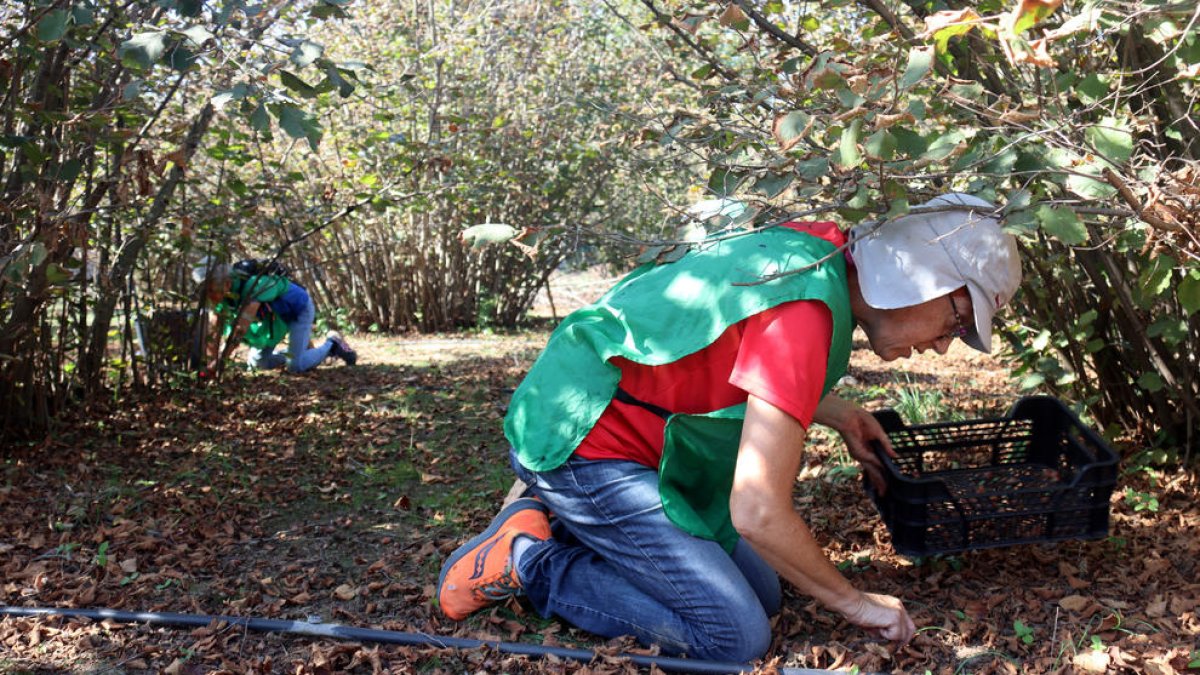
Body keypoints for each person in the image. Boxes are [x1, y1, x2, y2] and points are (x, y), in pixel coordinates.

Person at [436, 193, 1022, 662]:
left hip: (640, 439)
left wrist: (840, 413)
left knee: (766, 594)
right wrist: (856, 603)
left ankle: (574, 527)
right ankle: (528, 560)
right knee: (733, 636)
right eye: (956, 318)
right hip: (581, 439)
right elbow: (758, 511)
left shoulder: (816, 253)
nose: (945, 346)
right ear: (915, 277)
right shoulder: (804, 315)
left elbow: (734, 349)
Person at [195, 260, 357, 374]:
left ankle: (333, 344)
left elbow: (240, 329)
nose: (210, 296)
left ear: (227, 284)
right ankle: (300, 350)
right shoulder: (223, 294)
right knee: (257, 364)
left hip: (297, 310)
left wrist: (220, 362)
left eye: (211, 291)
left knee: (296, 366)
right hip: (274, 320)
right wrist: (211, 362)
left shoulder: (254, 285)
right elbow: (214, 327)